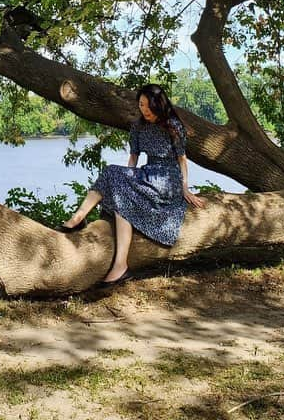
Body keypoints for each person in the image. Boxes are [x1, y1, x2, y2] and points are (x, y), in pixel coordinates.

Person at [57, 84, 205, 286]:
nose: (143, 109)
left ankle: (112, 256)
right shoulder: (138, 126)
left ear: (157, 105)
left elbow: (182, 159)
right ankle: (82, 221)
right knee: (115, 181)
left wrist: (185, 187)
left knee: (114, 176)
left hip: (167, 180)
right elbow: (134, 157)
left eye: (147, 105)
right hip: (147, 173)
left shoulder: (173, 126)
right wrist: (128, 178)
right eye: (141, 105)